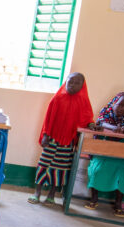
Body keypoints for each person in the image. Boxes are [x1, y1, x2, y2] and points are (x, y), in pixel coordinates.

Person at [28, 72, 94, 205]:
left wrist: (92, 125)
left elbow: (87, 119)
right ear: (66, 82)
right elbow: (48, 118)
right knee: (43, 165)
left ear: (82, 86)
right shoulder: (58, 98)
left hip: (68, 142)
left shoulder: (83, 101)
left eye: (77, 83)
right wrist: (45, 135)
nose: (73, 85)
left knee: (60, 169)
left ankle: (51, 195)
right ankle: (37, 193)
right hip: (52, 138)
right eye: (70, 82)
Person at [85, 92, 124, 215]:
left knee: (123, 176)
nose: (123, 109)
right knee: (96, 170)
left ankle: (118, 203)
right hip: (102, 151)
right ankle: (94, 199)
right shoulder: (106, 111)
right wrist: (113, 128)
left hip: (120, 153)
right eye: (120, 105)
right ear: (114, 103)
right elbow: (101, 123)